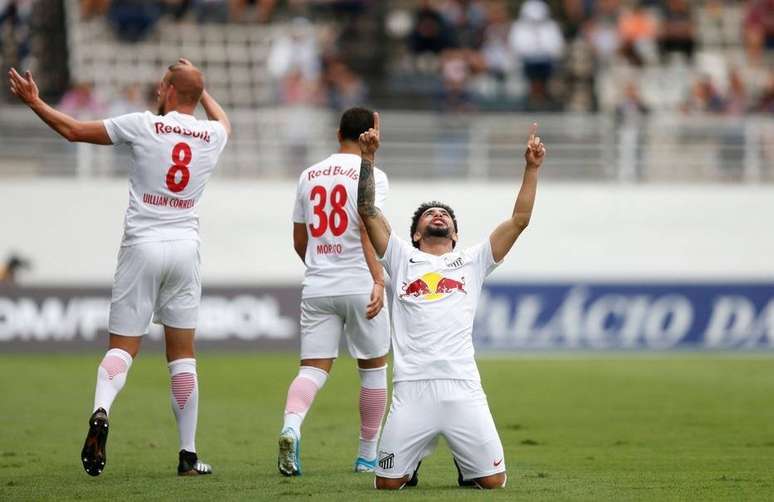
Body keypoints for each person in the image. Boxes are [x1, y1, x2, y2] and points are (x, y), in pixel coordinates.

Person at [7, 58, 231, 477]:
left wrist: (36, 103)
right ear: (197, 98)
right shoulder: (212, 135)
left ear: (168, 90)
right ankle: (187, 456)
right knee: (183, 357)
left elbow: (73, 130)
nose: (158, 90)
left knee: (122, 348)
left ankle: (101, 409)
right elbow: (224, 120)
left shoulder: (144, 125)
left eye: (163, 84)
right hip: (185, 249)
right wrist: (199, 91)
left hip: (142, 246)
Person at [357, 114, 546, 490]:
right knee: (387, 485)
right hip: (412, 387)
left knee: (494, 482)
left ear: (455, 234)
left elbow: (520, 219)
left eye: (445, 214)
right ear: (415, 233)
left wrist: (532, 168)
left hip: (462, 385)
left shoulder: (474, 261)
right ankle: (410, 464)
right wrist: (368, 159)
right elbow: (367, 210)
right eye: (430, 213)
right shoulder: (399, 256)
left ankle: (466, 464)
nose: (438, 214)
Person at [278, 107, 391, 476]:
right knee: (373, 370)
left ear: (337, 131)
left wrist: (320, 267)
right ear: (370, 135)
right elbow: (368, 228)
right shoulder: (373, 174)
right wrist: (377, 279)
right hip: (361, 282)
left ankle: (291, 427)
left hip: (318, 284)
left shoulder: (308, 175)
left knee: (312, 369)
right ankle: (366, 456)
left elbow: (299, 240)